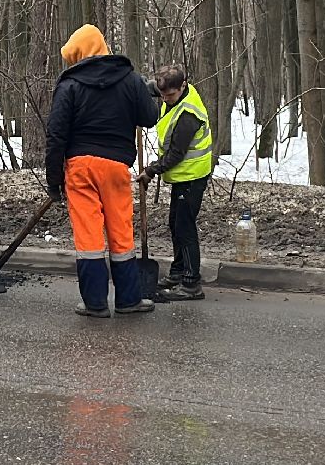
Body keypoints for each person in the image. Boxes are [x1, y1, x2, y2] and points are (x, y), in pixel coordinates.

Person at [46, 23, 159, 317]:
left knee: (89, 238)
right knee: (121, 234)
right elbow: (149, 117)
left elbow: (56, 135)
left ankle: (95, 303)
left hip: (80, 168)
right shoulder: (130, 79)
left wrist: (53, 181)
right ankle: (128, 300)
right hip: (116, 167)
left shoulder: (69, 84)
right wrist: (142, 91)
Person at [139, 65, 213, 300]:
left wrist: (151, 170)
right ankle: (178, 271)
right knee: (176, 224)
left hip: (192, 175)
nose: (165, 99)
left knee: (185, 227)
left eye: (170, 95)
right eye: (162, 95)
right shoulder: (170, 92)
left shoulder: (188, 115)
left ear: (183, 86)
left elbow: (175, 155)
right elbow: (149, 87)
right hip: (182, 176)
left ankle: (191, 283)